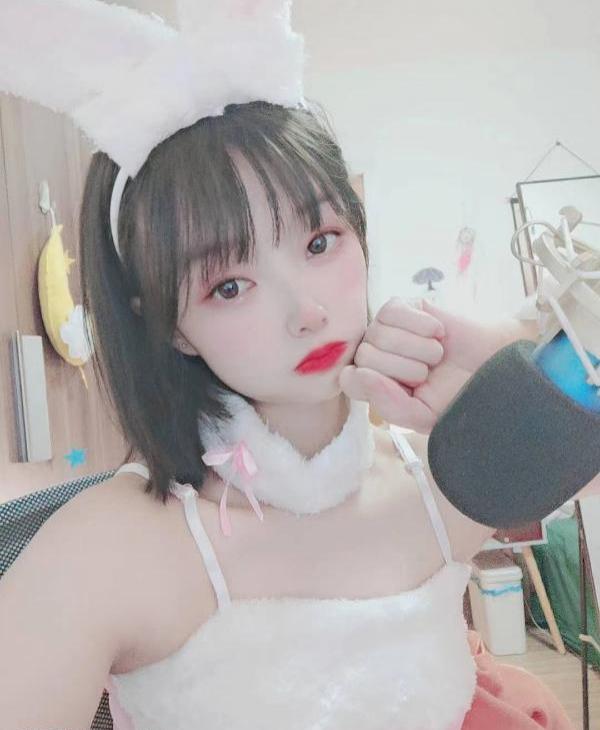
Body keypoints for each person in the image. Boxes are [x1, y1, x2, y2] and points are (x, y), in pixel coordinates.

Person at [0, 3, 584, 729]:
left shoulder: (444, 475)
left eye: (319, 242)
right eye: (229, 285)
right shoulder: (111, 547)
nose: (305, 310)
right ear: (171, 328)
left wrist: (512, 358)